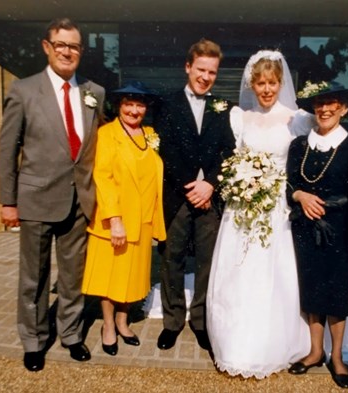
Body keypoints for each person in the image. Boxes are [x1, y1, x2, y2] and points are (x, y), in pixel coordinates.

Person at [0, 18, 105, 371]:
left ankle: (72, 335)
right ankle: (34, 340)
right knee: (35, 277)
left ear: (81, 52)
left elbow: (97, 147)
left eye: (74, 46)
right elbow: (7, 149)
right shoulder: (23, 90)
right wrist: (8, 201)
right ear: (47, 46)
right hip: (36, 199)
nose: (67, 52)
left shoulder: (94, 92)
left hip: (80, 200)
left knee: (73, 276)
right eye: (61, 44)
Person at [206, 50, 313, 379]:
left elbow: (303, 166)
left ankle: (271, 343)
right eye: (261, 83)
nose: (267, 89)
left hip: (275, 210)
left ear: (281, 83)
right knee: (237, 272)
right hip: (243, 208)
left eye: (272, 83)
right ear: (252, 84)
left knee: (271, 276)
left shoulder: (298, 118)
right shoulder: (240, 117)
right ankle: (234, 342)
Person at [153, 39, 235, 351]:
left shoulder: (223, 107)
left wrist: (210, 184)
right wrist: (192, 185)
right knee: (171, 258)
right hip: (177, 195)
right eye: (201, 69)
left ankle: (200, 321)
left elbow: (229, 151)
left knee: (207, 261)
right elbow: (166, 150)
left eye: (212, 71)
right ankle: (172, 321)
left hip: (210, 198)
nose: (205, 76)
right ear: (188, 67)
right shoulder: (166, 104)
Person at [286, 81, 348, 389]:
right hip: (305, 227)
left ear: (343, 108)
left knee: (337, 288)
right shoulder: (300, 145)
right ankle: (316, 351)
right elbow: (290, 183)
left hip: (338, 226)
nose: (325, 108)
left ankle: (338, 357)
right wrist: (300, 197)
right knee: (312, 286)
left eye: (332, 103)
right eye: (320, 104)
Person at [81, 83, 165, 356]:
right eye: (129, 104)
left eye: (139, 105)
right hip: (114, 220)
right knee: (111, 277)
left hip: (141, 221)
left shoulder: (150, 135)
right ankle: (108, 325)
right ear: (119, 105)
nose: (134, 110)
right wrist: (115, 219)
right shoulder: (107, 134)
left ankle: (122, 320)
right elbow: (102, 177)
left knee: (131, 277)